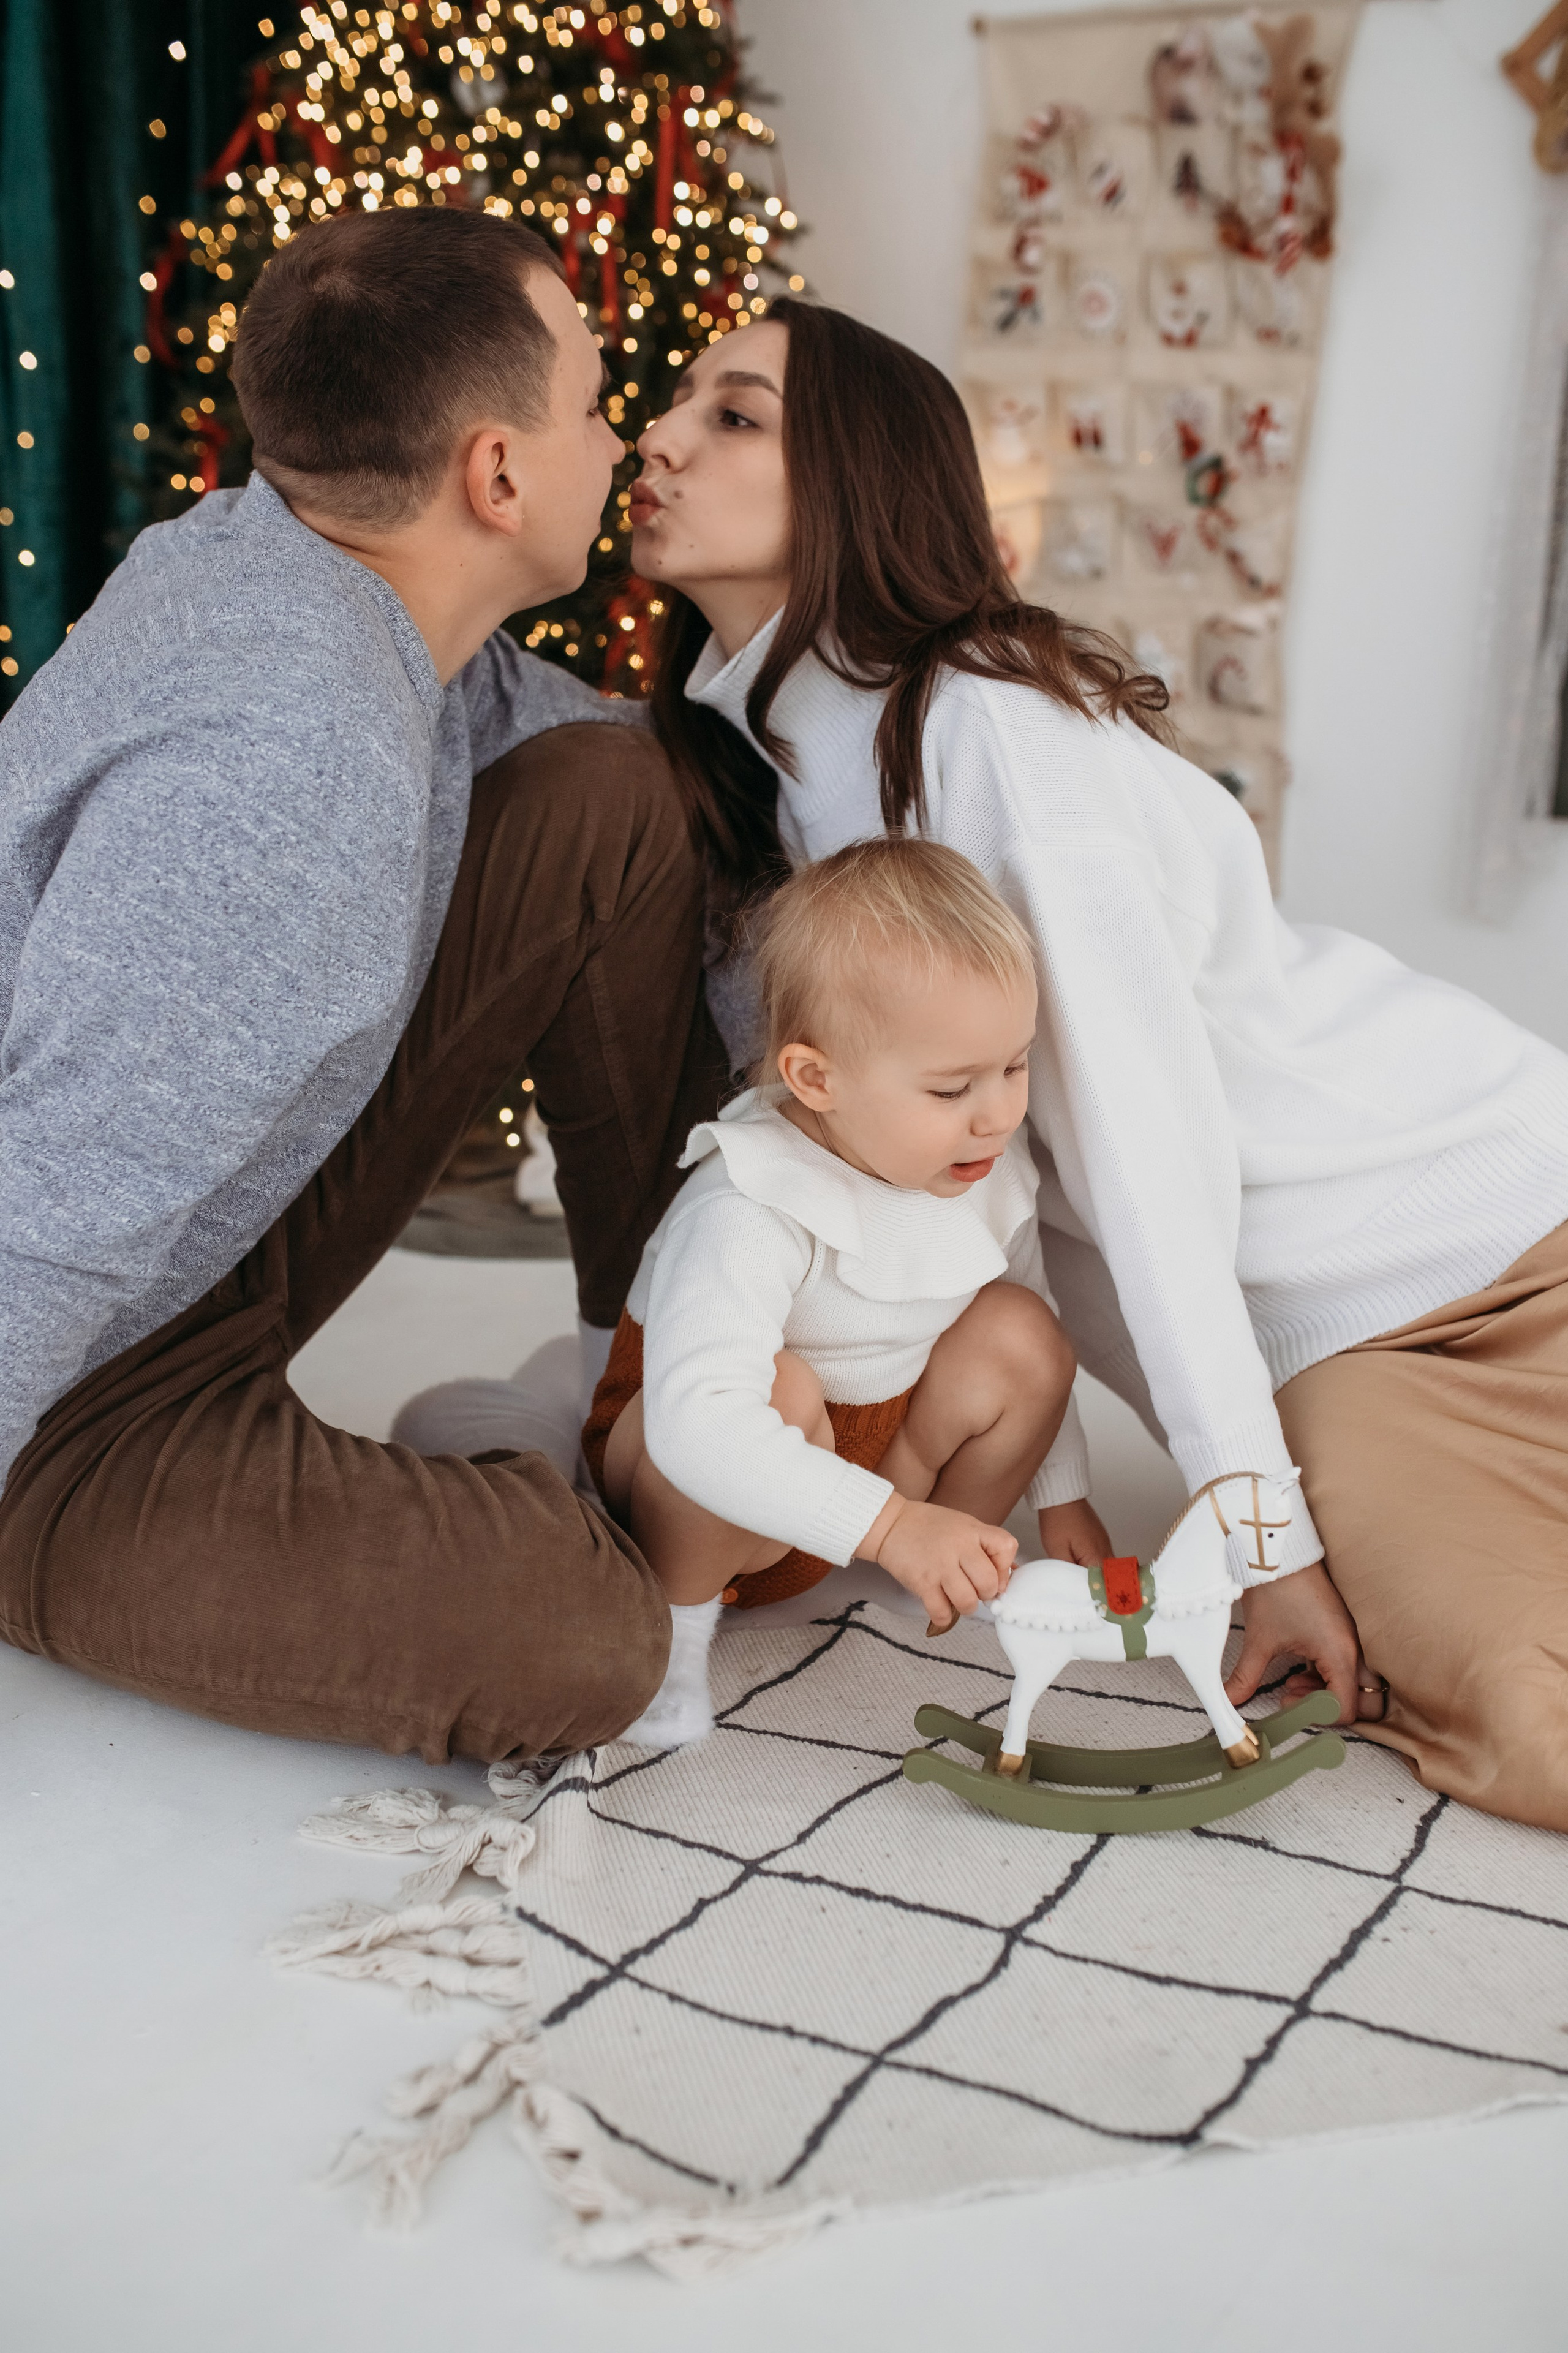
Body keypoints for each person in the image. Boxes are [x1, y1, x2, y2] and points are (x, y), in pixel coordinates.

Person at [625, 298, 1568, 1832]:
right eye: (673, 404)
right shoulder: (780, 768)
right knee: (1516, 1703)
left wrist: (1253, 1533)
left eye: (731, 415)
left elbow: (1144, 1162)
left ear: (858, 481)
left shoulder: (987, 748)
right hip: (1350, 1355)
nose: (657, 439)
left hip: (1497, 1219)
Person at [0, 208, 729, 1763]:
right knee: (585, 1638)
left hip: (202, 1242)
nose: (625, 445)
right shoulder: (287, 773)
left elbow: (546, 730)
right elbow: (42, 1215)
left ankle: (657, 1375)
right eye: (599, 404)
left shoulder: (279, 560)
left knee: (612, 792)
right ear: (496, 474)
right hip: (70, 1387)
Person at [583, 837, 1081, 1747]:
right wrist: (887, 1522)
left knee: (1025, 1331)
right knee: (781, 1389)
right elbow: (698, 1422)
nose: (999, 1112)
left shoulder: (985, 1168)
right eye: (951, 1086)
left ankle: (945, 1562)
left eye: (1014, 1066)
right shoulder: (750, 1198)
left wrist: (1065, 1494)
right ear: (817, 1078)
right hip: (701, 1476)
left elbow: (1024, 1310)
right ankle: (671, 1633)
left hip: (872, 1467)